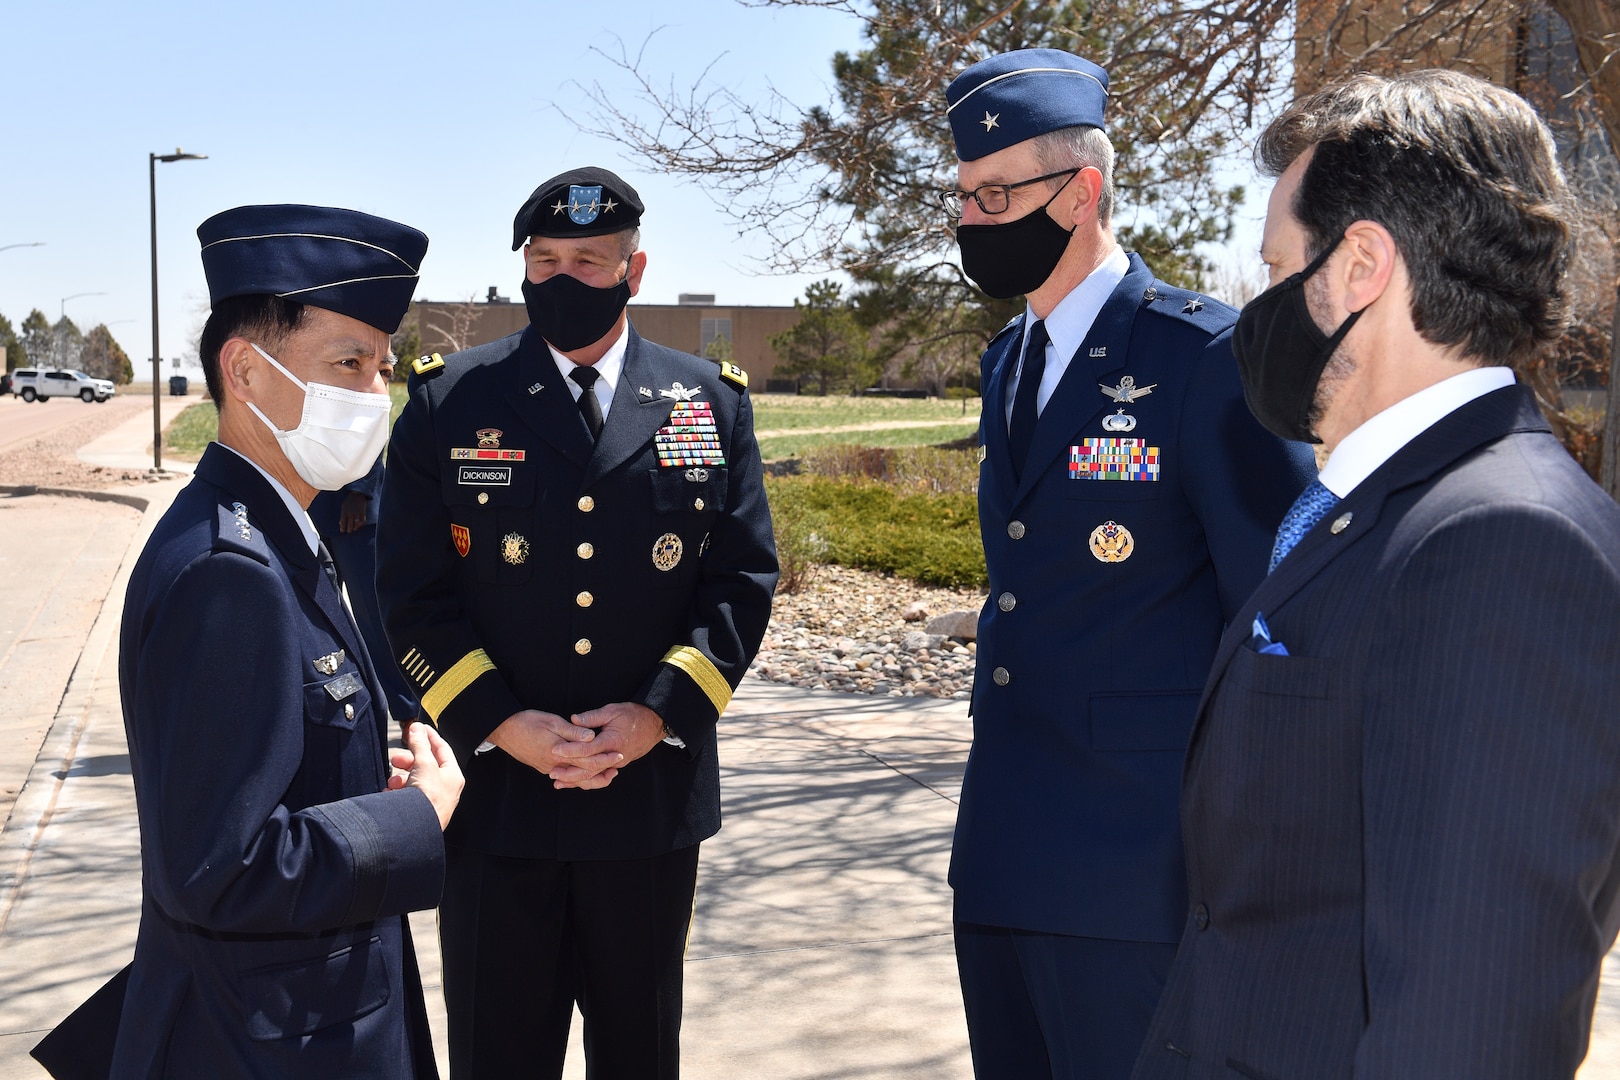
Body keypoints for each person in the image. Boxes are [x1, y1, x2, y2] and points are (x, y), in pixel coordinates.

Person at [1131, 70, 1620, 1080]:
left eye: (1274, 270)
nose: (1255, 314)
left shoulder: (1500, 544)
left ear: (1359, 266)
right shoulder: (1384, 508)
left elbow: (1474, 1019)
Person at [939, 49, 1314, 1078]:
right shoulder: (1008, 359)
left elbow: (1282, 617)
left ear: (1084, 191)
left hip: (1139, 872)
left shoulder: (1202, 357)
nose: (975, 221)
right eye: (965, 198)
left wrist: (1256, 875)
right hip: (1004, 858)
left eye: (1000, 194)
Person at [376, 166, 778, 1079]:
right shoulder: (454, 401)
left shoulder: (708, 401)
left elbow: (741, 580)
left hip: (646, 806)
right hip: (497, 804)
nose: (561, 279)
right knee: (496, 1054)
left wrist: (659, 715)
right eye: (544, 259)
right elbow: (409, 591)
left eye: (588, 262)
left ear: (635, 272)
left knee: (639, 1055)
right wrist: (500, 725)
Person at [57, 205, 464, 1079]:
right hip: (259, 1043)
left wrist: (362, 773)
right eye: (346, 362)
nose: (372, 395)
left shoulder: (277, 531)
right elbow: (219, 867)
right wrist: (414, 816)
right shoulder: (228, 571)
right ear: (245, 369)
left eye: (380, 367)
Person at [311, 455, 420, 723]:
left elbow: (368, 422)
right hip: (312, 507)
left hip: (355, 512)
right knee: (323, 624)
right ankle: (351, 709)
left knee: (376, 622)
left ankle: (410, 715)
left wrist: (360, 491)